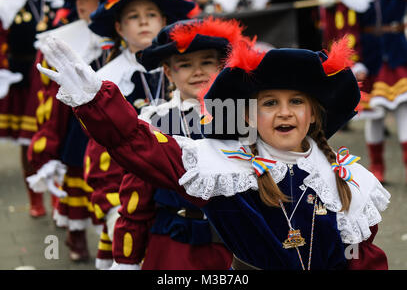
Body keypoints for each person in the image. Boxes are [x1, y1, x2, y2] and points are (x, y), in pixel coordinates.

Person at [38, 31, 390, 269]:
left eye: (296, 101)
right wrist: (95, 98)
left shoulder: (349, 180)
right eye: (269, 102)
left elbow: (363, 258)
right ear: (248, 115)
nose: (284, 112)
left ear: (313, 114)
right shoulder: (222, 167)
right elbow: (139, 144)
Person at [110, 17, 250, 270]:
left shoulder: (242, 115)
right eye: (185, 64)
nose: (197, 71)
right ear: (168, 72)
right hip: (173, 245)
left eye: (207, 62)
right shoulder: (154, 121)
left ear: (222, 66)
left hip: (235, 245)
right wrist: (126, 259)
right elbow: (136, 197)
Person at [80, 0, 199, 269]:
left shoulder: (189, 69)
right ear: (119, 28)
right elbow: (101, 153)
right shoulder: (107, 80)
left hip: (187, 192)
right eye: (134, 16)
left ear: (165, 21)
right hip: (130, 194)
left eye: (151, 15)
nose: (143, 22)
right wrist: (112, 207)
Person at [26, 0, 123, 262]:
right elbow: (48, 99)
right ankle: (75, 236)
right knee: (76, 180)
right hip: (77, 124)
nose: (84, 2)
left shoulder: (120, 36)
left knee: (113, 188)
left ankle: (111, 243)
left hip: (115, 124)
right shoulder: (60, 39)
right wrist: (47, 143)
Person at [0, 0, 64, 218]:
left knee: (58, 136)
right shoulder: (7, 2)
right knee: (29, 141)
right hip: (23, 80)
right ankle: (35, 197)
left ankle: (59, 196)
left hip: (57, 76)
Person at [337, 0, 407, 184]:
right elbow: (346, 29)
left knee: (404, 106)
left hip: (397, 53)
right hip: (370, 58)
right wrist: (354, 60)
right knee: (374, 114)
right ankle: (377, 164)